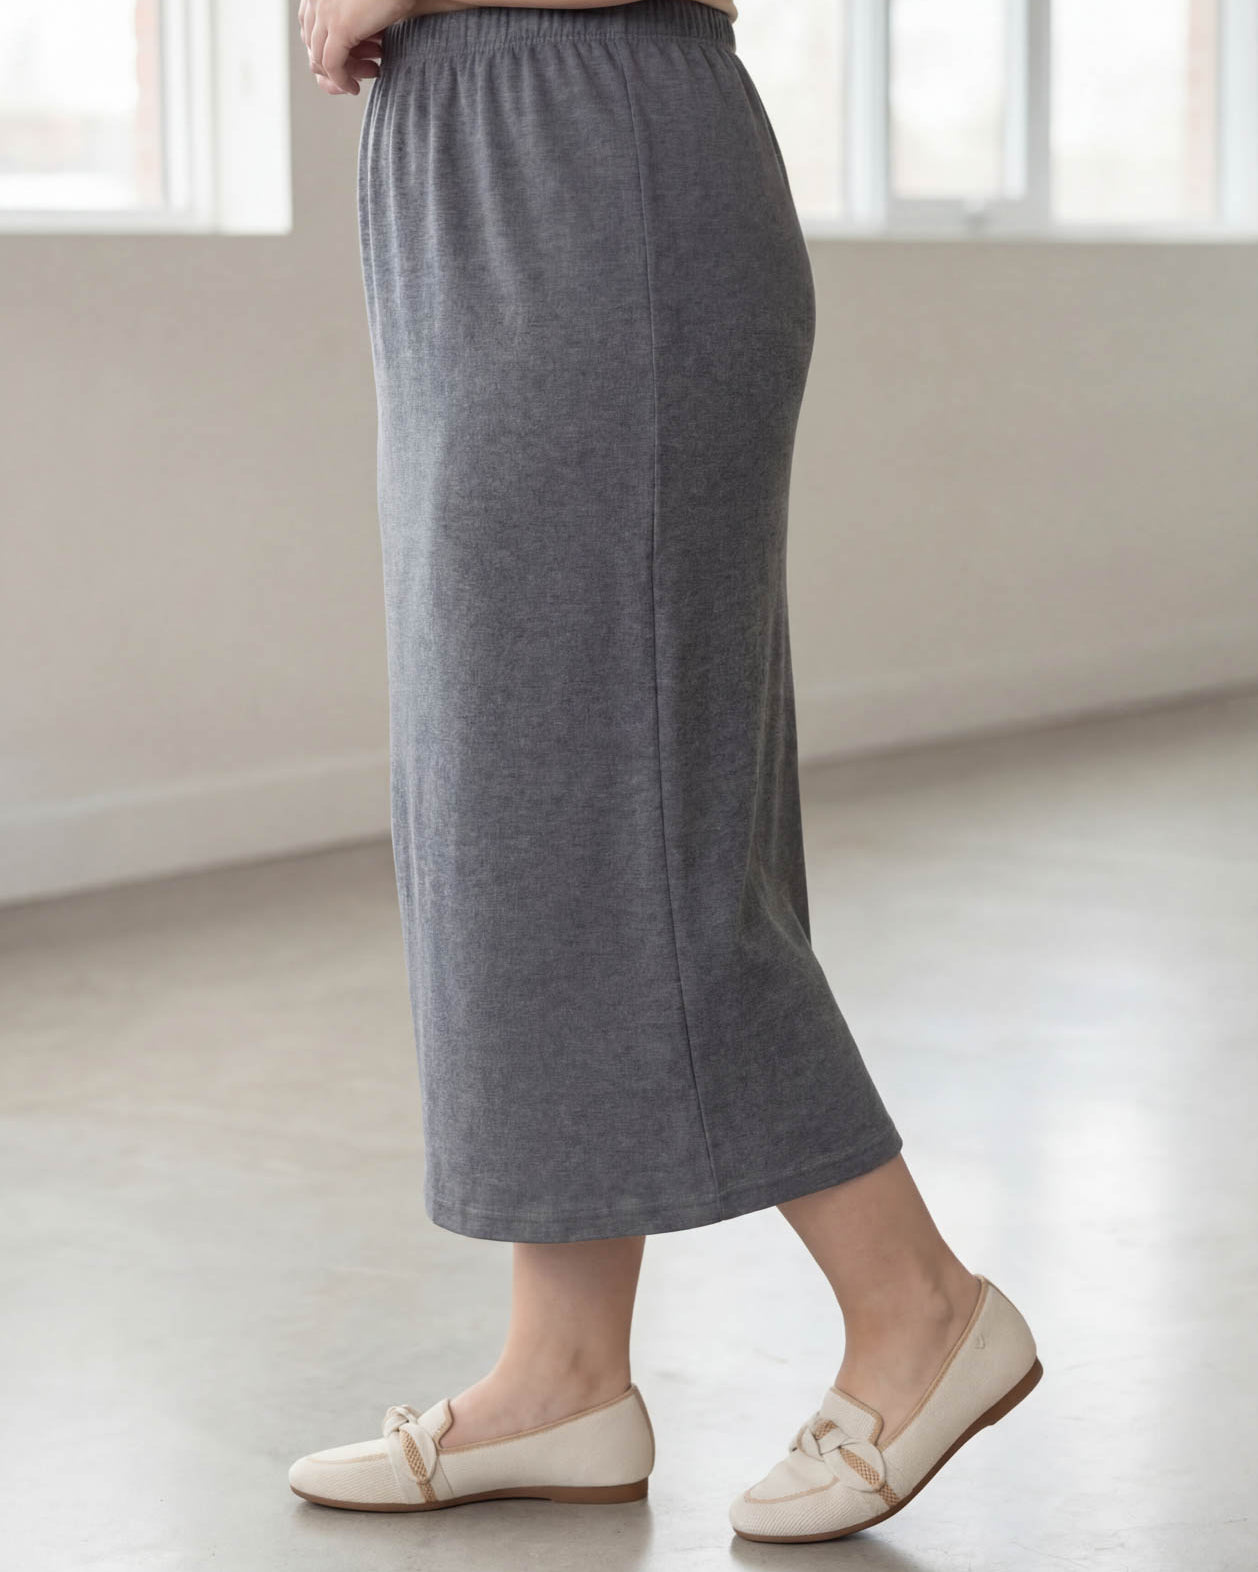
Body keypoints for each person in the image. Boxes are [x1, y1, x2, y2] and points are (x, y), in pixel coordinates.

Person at [288, 0, 1041, 1543]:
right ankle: (561, 1370)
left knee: (616, 801)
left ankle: (919, 1302)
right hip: (461, 164)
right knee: (508, 793)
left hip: (593, 159)